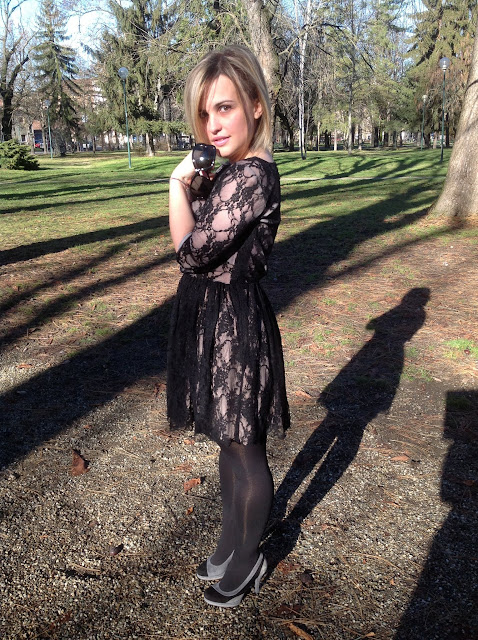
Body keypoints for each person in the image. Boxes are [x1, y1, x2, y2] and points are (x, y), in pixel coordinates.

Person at [167, 45, 289, 608]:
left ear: (256, 106)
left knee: (246, 446)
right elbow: (199, 242)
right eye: (204, 113)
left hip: (236, 323)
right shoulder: (231, 173)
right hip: (214, 318)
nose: (213, 125)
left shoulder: (254, 175)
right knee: (227, 438)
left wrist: (176, 187)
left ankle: (248, 557)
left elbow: (192, 253)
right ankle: (228, 541)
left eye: (225, 108)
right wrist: (196, 192)